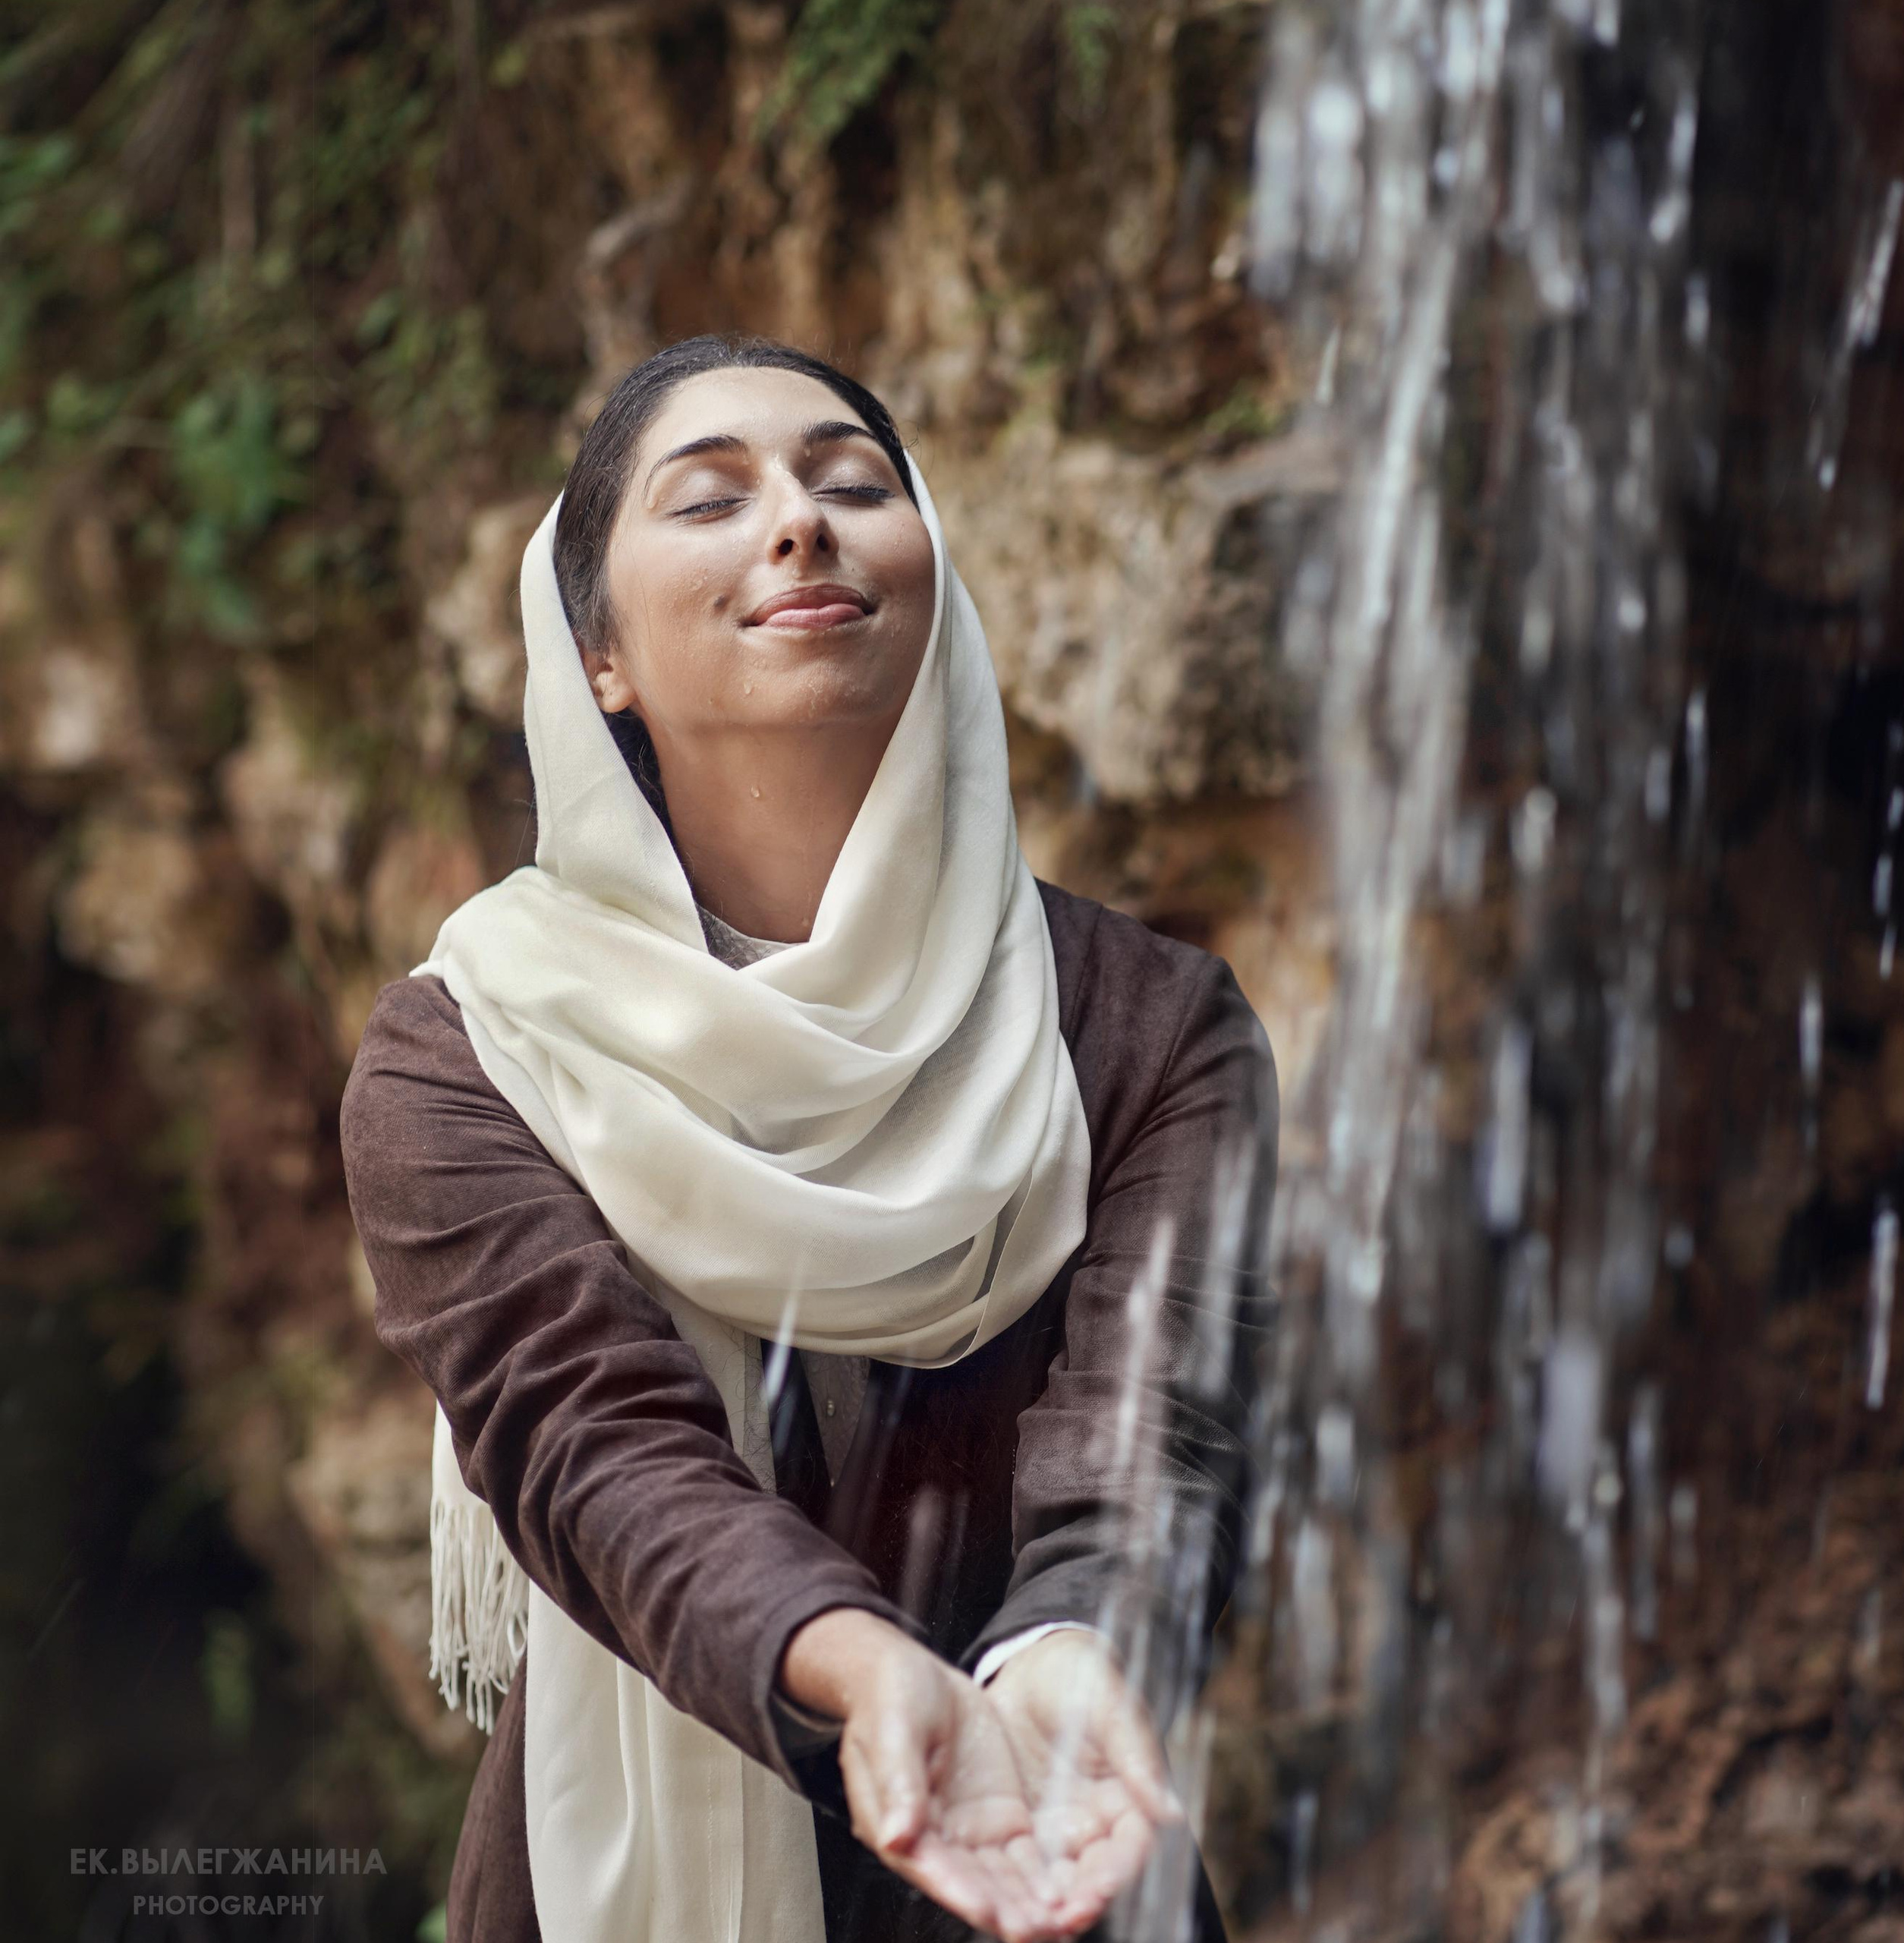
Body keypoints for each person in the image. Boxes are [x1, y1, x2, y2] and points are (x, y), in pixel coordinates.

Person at [338, 334, 1280, 1943]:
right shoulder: (475, 1049)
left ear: (935, 581)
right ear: (597, 655)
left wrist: (1069, 1647)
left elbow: (1157, 1442)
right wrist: (859, 1672)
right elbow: (593, 1452)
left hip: (1057, 1849)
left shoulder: (1148, 1025)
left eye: (853, 483)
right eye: (711, 500)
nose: (800, 522)